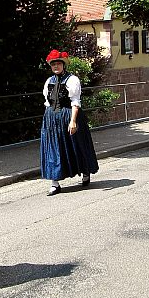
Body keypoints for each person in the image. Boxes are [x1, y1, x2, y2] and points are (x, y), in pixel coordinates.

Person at [40, 49, 99, 196]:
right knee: (53, 148)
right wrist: (48, 119)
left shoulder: (72, 80)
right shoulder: (49, 81)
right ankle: (55, 183)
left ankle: (85, 172)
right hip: (52, 119)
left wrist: (73, 121)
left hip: (68, 115)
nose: (56, 67)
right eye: (53, 64)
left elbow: (75, 102)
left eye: (58, 64)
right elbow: (48, 102)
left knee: (76, 146)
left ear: (63, 65)